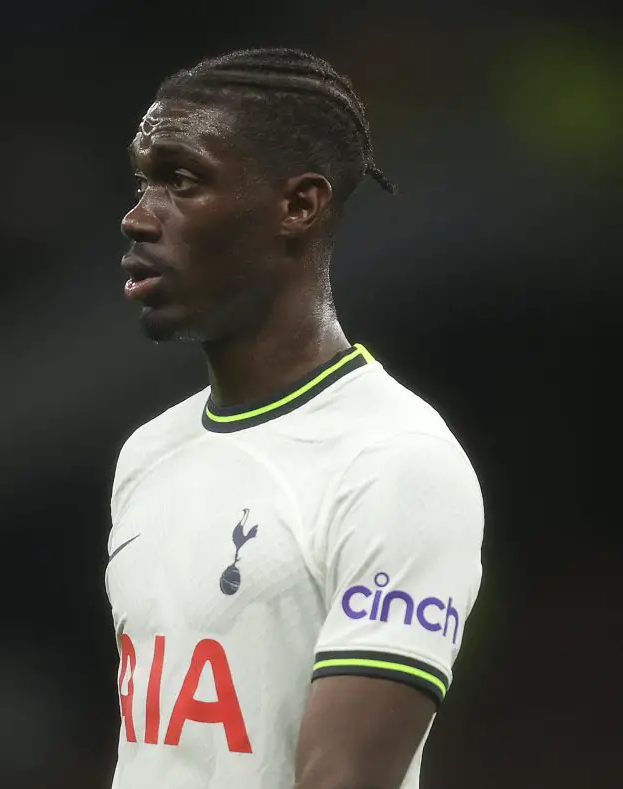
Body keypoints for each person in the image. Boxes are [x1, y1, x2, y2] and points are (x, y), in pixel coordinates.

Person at [106, 48, 484, 789]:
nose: (138, 217)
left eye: (182, 181)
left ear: (298, 205)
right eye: (143, 181)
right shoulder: (149, 455)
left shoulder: (395, 461)